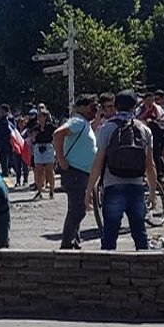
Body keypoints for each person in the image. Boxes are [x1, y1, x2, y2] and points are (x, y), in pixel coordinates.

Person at [85, 90, 158, 251]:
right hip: (137, 186)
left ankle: (108, 272)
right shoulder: (144, 130)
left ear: (116, 107)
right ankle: (145, 269)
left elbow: (98, 162)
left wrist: (90, 189)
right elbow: (150, 165)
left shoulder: (108, 128)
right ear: (134, 107)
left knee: (109, 235)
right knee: (140, 234)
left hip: (113, 186)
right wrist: (152, 192)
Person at [53, 94, 99, 250]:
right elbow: (58, 134)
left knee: (78, 209)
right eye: (93, 107)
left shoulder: (84, 123)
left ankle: (74, 241)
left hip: (81, 173)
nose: (95, 110)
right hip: (74, 173)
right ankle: (67, 244)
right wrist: (60, 158)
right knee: (77, 210)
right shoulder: (78, 121)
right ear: (83, 108)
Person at [26, 106, 58, 200]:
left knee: (49, 170)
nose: (39, 118)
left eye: (41, 116)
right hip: (38, 147)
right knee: (38, 170)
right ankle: (39, 190)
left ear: (45, 117)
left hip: (48, 147)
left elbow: (57, 132)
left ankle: (52, 191)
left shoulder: (50, 126)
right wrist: (33, 137)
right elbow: (30, 136)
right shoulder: (35, 127)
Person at [137, 91, 164, 184]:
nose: (149, 102)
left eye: (151, 100)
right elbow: (137, 118)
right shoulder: (140, 108)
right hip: (142, 133)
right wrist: (146, 111)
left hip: (156, 134)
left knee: (156, 154)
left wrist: (154, 120)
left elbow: (162, 120)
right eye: (147, 100)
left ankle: (160, 174)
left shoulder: (157, 108)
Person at [0, 103, 14, 177]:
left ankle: (12, 172)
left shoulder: (10, 120)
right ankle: (5, 173)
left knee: (11, 160)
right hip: (1, 144)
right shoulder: (0, 121)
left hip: (9, 143)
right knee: (3, 161)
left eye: (2, 111)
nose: (0, 113)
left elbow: (13, 131)